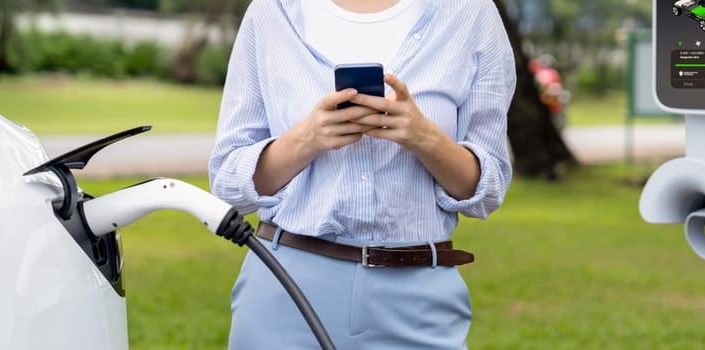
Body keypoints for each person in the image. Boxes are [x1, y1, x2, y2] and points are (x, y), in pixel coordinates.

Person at [208, 0, 515, 348]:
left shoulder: (470, 11)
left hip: (419, 302)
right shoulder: (272, 11)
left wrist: (424, 137)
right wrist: (306, 138)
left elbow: (487, 193)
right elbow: (228, 183)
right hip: (285, 290)